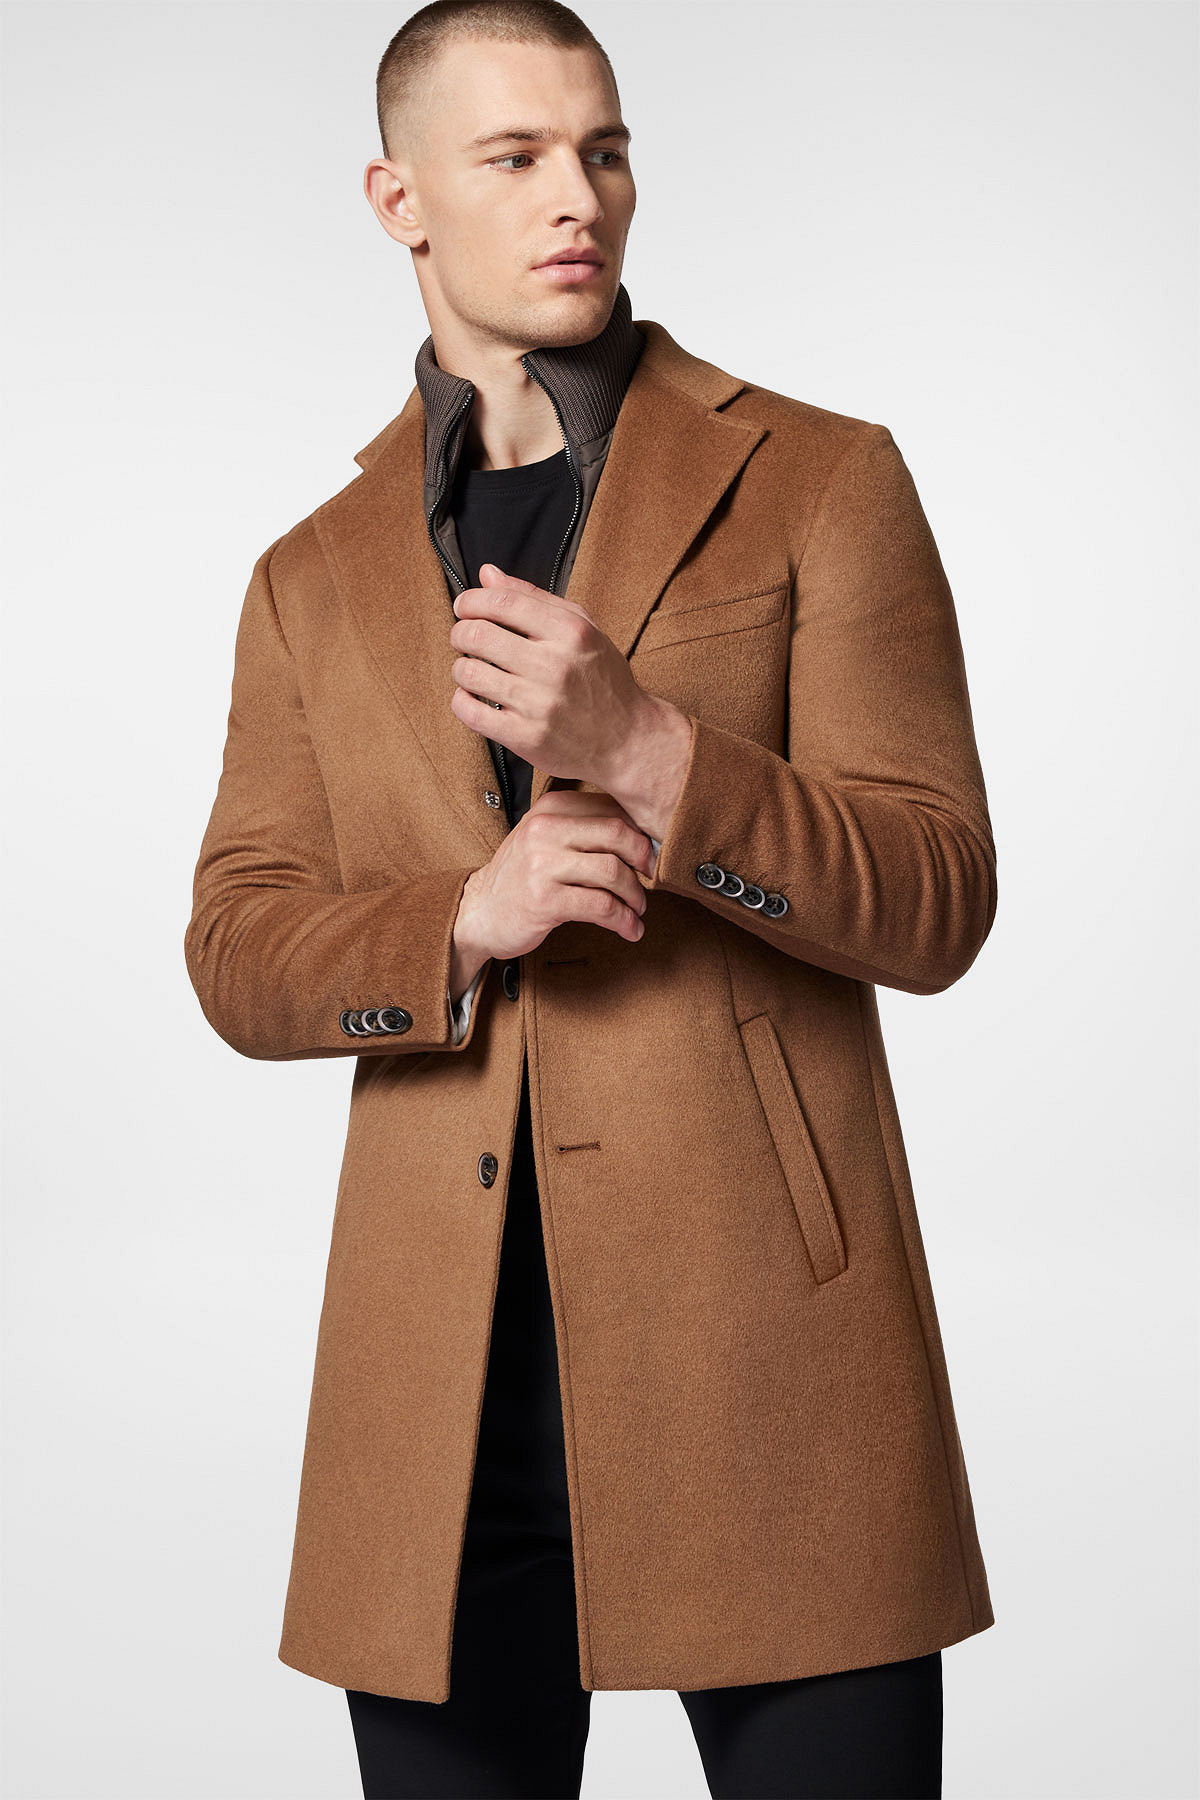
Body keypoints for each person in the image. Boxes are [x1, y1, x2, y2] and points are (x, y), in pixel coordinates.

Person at [184, 3, 998, 1794]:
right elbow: (238, 948)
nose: (584, 196)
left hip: (770, 1367)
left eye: (606, 149)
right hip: (438, 1413)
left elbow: (939, 895)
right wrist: (458, 919)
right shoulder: (310, 575)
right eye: (519, 156)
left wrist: (653, 755)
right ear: (399, 199)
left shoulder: (818, 478)